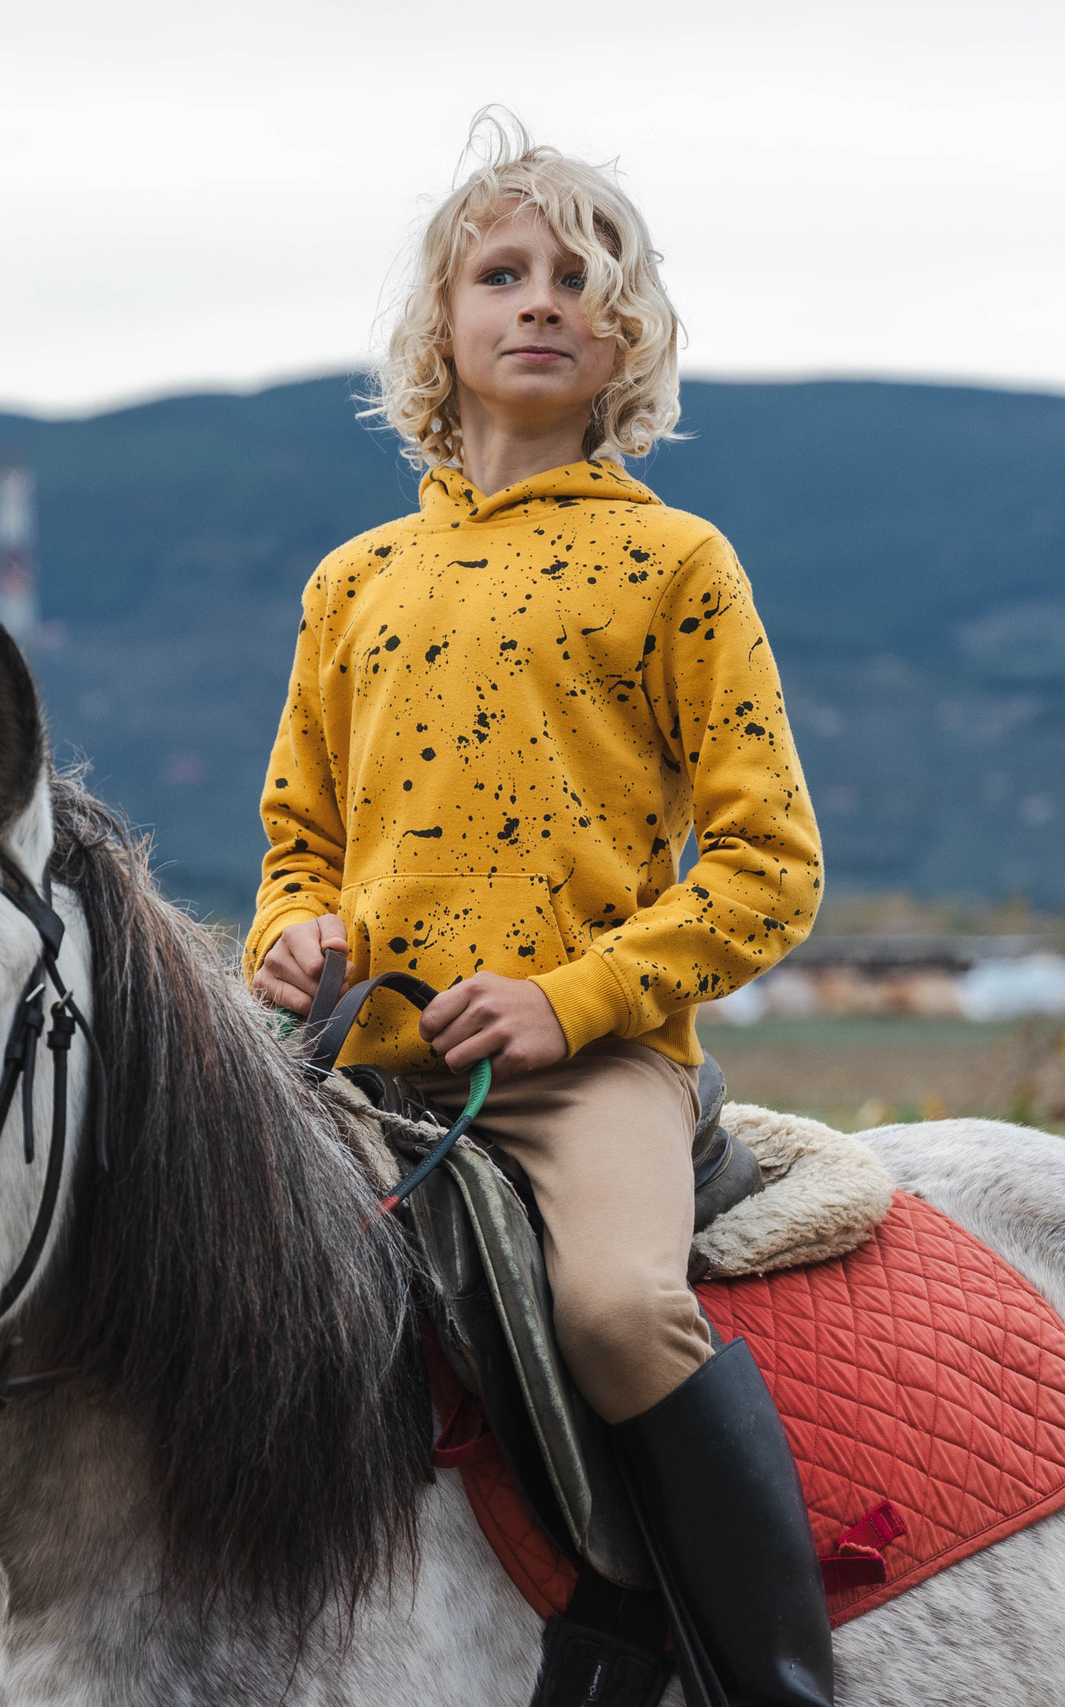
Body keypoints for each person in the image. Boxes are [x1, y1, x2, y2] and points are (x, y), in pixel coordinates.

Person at [244, 115, 828, 1704]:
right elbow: (300, 845)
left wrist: (572, 1000)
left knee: (623, 1312)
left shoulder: (675, 564)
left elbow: (770, 865)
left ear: (628, 334)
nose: (541, 300)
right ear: (441, 326)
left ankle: (769, 1681)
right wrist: (290, 936)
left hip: (584, 1075)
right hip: (357, 1066)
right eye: (501, 273)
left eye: (581, 277)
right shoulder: (351, 582)